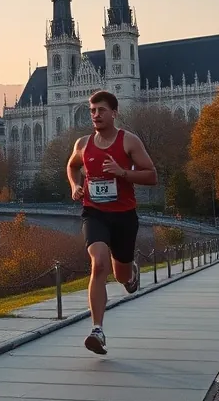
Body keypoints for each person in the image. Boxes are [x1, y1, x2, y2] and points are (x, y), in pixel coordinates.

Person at [67, 90, 158, 354]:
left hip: (124, 216)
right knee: (98, 264)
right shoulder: (83, 144)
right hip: (94, 214)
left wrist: (122, 173)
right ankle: (97, 330)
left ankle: (131, 276)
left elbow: (151, 175)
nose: (95, 115)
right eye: (92, 111)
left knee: (122, 275)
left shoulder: (129, 142)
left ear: (114, 113)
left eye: (101, 110)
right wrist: (75, 186)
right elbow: (72, 166)